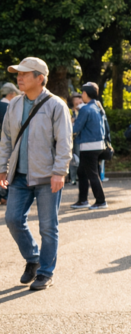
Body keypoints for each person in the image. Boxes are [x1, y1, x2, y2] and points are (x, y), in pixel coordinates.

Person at [0, 57, 73, 291]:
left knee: (48, 227)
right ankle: (33, 258)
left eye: (24, 73)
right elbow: (6, 139)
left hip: (47, 176)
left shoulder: (56, 105)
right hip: (19, 176)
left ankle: (45, 272)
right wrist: (2, 167)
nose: (19, 77)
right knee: (12, 219)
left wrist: (59, 171)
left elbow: (64, 142)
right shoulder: (14, 104)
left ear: (40, 78)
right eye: (18, 73)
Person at [70, 84, 107, 210]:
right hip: (98, 144)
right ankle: (83, 200)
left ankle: (100, 201)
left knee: (92, 174)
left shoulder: (85, 109)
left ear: (85, 94)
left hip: (88, 145)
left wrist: (68, 127)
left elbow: (77, 128)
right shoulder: (98, 106)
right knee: (82, 172)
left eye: (82, 93)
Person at [0, 82, 19, 206]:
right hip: (5, 143)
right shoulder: (8, 107)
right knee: (7, 168)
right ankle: (5, 196)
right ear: (11, 94)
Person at [68, 93, 82, 186]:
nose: (78, 102)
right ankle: (72, 178)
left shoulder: (83, 111)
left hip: (79, 138)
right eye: (76, 101)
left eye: (80, 101)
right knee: (71, 158)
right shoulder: (69, 111)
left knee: (79, 157)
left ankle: (79, 177)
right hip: (70, 138)